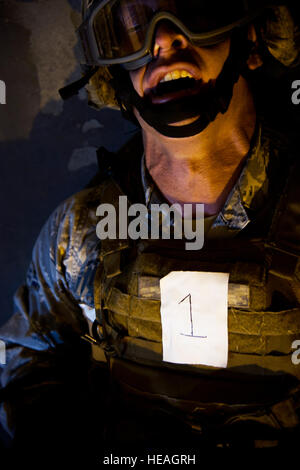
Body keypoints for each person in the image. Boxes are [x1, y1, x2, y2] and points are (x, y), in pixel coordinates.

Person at [1, 0, 300, 456]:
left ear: (251, 39)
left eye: (192, 8)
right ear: (115, 75)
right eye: (131, 26)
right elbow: (30, 363)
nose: (162, 39)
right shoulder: (79, 236)